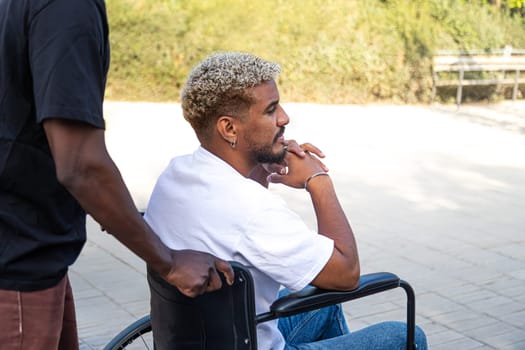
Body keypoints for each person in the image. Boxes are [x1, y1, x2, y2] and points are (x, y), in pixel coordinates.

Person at [144, 52, 428, 349]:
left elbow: (234, 228)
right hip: (250, 342)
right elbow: (345, 274)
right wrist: (319, 181)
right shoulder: (252, 210)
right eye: (270, 110)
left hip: (198, 339)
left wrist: (261, 167)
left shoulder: (175, 174)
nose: (284, 118)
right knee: (404, 335)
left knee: (323, 303)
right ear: (229, 128)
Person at [0, 1, 233, 349]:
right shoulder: (66, 7)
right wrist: (168, 262)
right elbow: (81, 165)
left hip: (32, 251)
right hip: (17, 265)